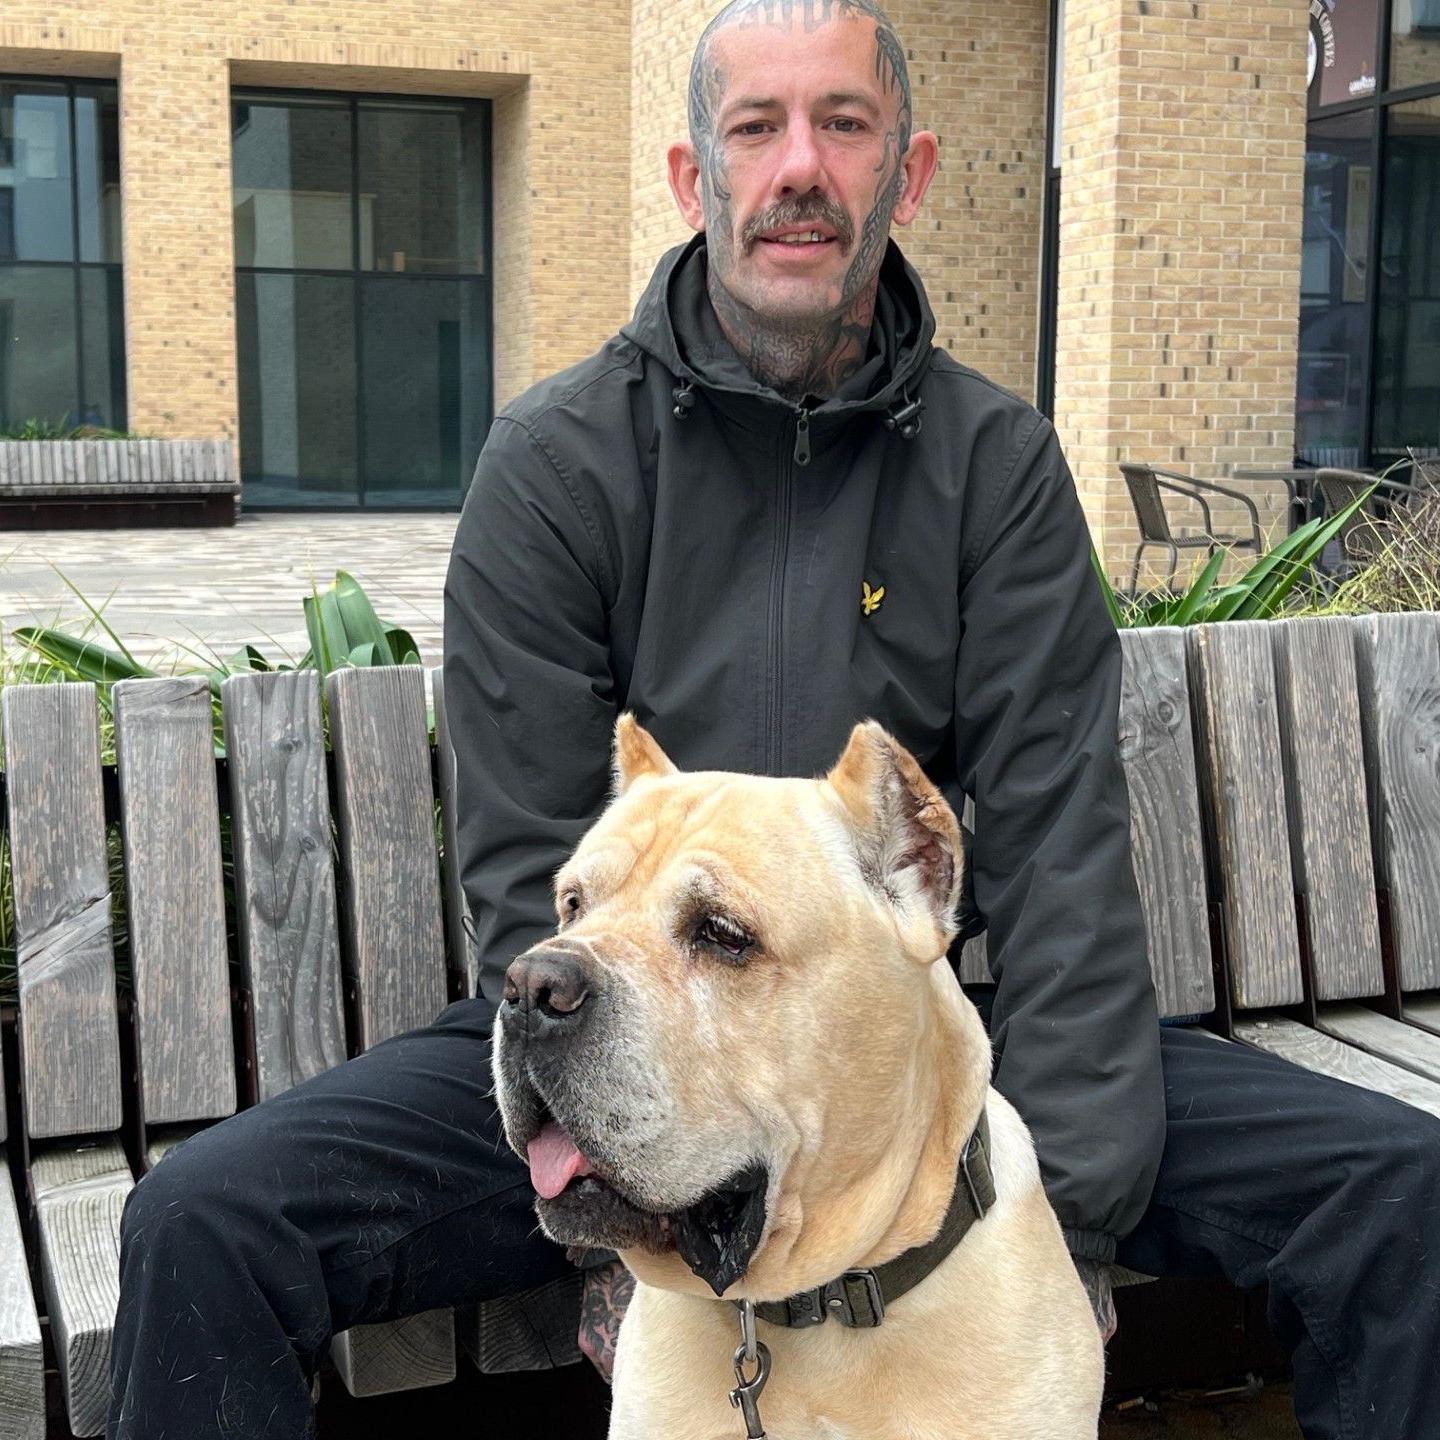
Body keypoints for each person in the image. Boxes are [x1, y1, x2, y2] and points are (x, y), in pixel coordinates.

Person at [107, 3, 1440, 1437]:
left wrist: (1066, 1226)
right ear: (696, 177)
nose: (798, 166)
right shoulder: (554, 463)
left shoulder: (998, 467)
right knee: (203, 1224)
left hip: (912, 1048)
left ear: (908, 175)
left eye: (842, 125)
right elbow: (531, 867)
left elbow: (1059, 861)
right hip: (618, 1033)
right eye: (756, 128)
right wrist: (624, 1219)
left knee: (1400, 1198)